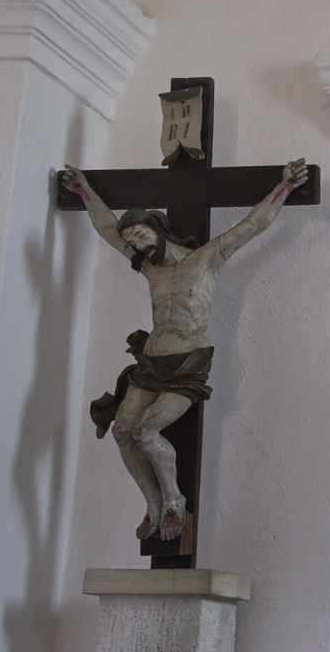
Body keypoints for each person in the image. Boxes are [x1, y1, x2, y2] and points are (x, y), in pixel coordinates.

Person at [61, 158, 309, 541]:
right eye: (131, 241)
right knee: (122, 431)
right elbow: (107, 228)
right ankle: (153, 504)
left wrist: (286, 186)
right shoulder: (149, 268)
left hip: (187, 364)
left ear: (157, 228)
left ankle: (174, 502)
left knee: (146, 430)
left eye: (140, 235)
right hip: (151, 363)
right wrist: (83, 190)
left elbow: (253, 224)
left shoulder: (205, 260)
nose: (135, 244)